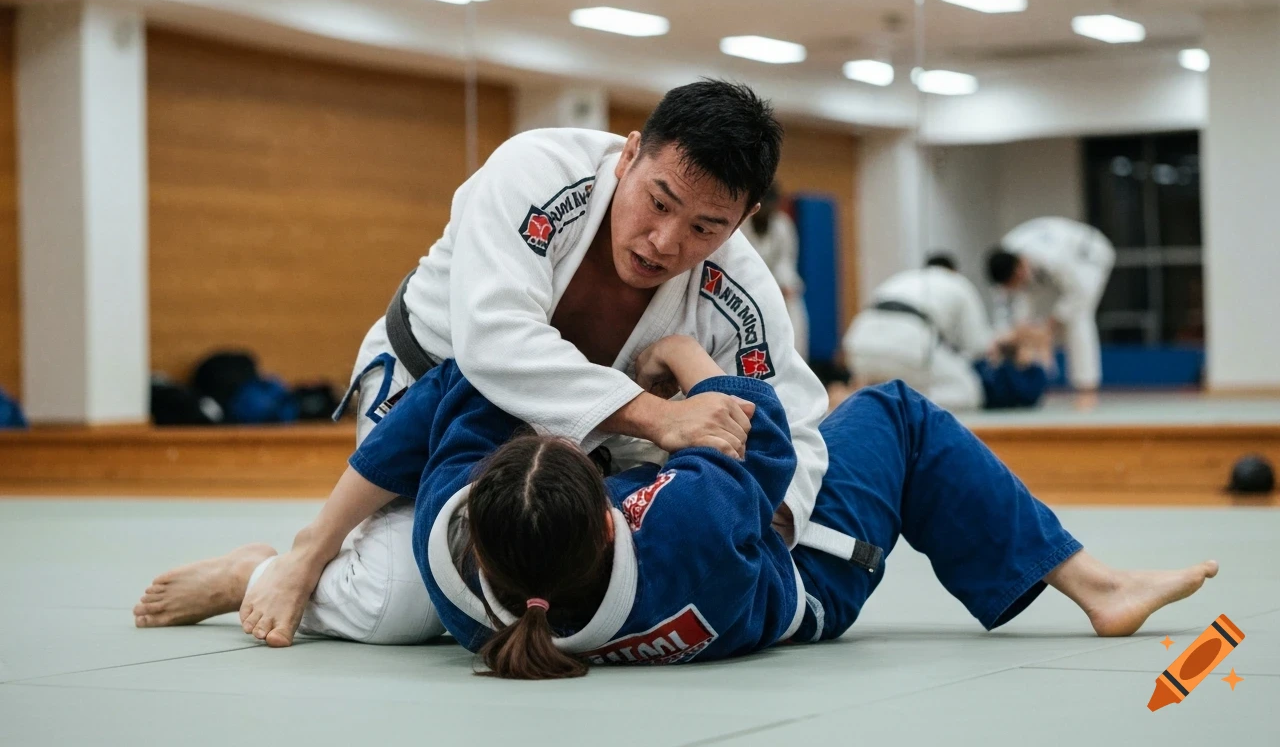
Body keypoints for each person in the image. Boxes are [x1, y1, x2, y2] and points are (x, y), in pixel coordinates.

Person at [134, 336, 1218, 679]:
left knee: (376, 592)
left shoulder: (455, 562)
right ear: (611, 507)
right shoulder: (689, 524)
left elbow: (460, 387)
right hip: (807, 579)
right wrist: (682, 363)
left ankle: (270, 567)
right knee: (892, 413)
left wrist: (546, 362)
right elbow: (753, 435)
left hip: (466, 571)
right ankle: (1096, 585)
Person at [195, 80, 832, 647]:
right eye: (658, 203)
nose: (666, 242)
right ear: (629, 155)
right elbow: (493, 343)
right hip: (432, 397)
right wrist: (661, 417)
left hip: (578, 463)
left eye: (706, 227)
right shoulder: (536, 172)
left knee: (555, 588)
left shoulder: (739, 285)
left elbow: (795, 420)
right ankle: (283, 561)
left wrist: (753, 544)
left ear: (745, 218)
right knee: (406, 602)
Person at [843, 255, 1046, 411]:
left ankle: (857, 398)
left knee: (908, 380)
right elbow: (977, 347)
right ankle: (897, 407)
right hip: (905, 346)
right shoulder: (959, 284)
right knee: (968, 391)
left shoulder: (905, 277)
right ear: (954, 271)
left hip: (858, 345)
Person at [987, 217, 1116, 393]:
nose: (1014, 288)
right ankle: (1032, 375)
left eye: (1015, 282)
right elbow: (1005, 308)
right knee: (1023, 321)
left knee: (1078, 318)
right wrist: (1006, 337)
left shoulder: (1053, 259)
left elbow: (1079, 293)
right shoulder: (1006, 258)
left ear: (1019, 269)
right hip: (1051, 263)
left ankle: (1086, 387)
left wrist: (1049, 327)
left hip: (1090, 255)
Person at [742, 183, 809, 360]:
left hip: (776, 286)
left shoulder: (783, 225)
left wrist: (785, 284)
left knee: (795, 308)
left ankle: (794, 361)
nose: (768, 210)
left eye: (773, 205)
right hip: (745, 287)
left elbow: (786, 261)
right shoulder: (742, 224)